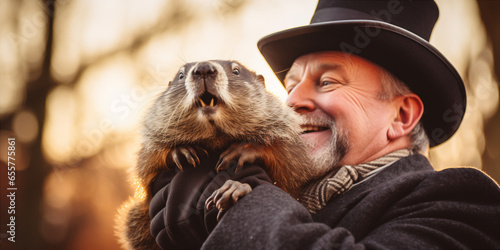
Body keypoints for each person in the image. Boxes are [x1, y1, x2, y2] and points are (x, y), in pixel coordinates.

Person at [150, 0, 500, 249]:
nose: (291, 102)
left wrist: (240, 208)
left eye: (327, 82)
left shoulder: (463, 205)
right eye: (290, 86)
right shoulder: (282, 193)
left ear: (402, 116)